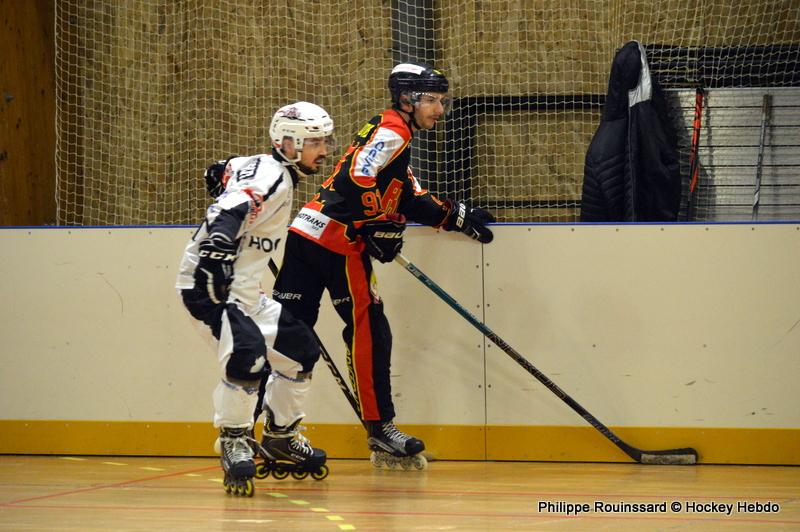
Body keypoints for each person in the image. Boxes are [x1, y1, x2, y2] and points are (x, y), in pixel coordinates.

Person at [272, 63, 495, 469]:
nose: (439, 110)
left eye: (442, 101)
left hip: (306, 234)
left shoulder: (391, 132)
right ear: (407, 99)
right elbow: (360, 175)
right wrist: (374, 224)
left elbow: (406, 194)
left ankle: (260, 432)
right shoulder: (393, 129)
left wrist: (453, 217)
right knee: (370, 331)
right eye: (432, 100)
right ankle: (380, 429)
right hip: (338, 244)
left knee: (285, 337)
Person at [176, 102, 335, 495]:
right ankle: (233, 438)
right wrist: (216, 247)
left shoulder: (263, 165)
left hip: (246, 291)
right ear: (288, 142)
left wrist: (220, 173)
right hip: (211, 284)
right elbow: (234, 204)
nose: (325, 149)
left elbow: (224, 171)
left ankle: (280, 434)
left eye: (325, 139)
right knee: (248, 356)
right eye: (315, 141)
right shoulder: (272, 175)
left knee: (300, 351)